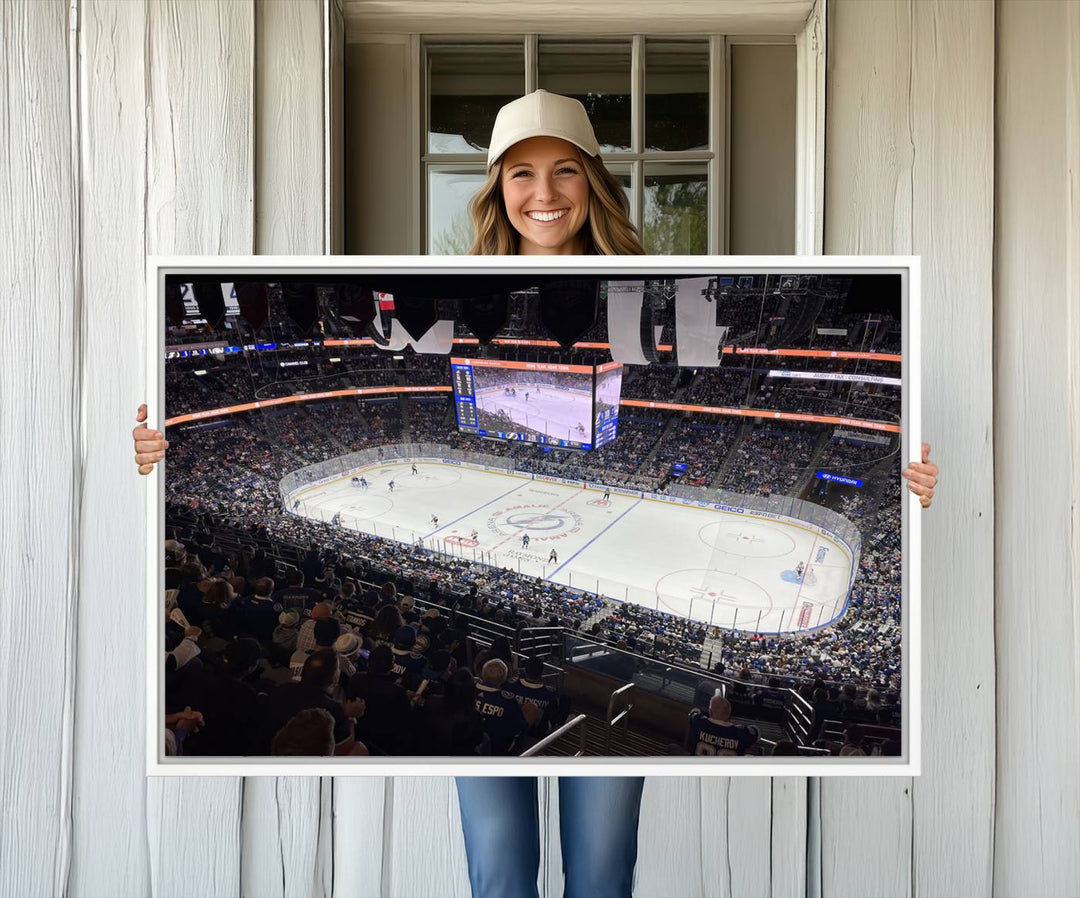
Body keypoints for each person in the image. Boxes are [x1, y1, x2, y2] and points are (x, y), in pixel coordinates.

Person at [133, 88, 940, 898]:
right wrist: (149, 452)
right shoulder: (441, 285)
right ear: (495, 188)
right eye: (520, 174)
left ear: (595, 180)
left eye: (564, 172)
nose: (543, 193)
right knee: (500, 869)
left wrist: (913, 478)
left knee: (600, 866)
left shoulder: (657, 278)